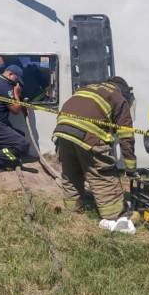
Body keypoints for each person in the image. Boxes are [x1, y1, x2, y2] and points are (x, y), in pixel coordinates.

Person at [53, 76, 137, 221]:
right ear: (124, 92)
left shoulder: (89, 88)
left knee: (71, 173)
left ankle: (72, 211)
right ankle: (115, 217)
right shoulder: (118, 97)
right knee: (103, 176)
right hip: (88, 136)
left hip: (62, 132)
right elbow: (126, 136)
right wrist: (131, 167)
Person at [0, 64, 32, 173]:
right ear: (10, 74)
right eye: (16, 80)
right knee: (23, 144)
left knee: (20, 135)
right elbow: (15, 110)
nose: (16, 84)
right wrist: (16, 94)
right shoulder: (5, 86)